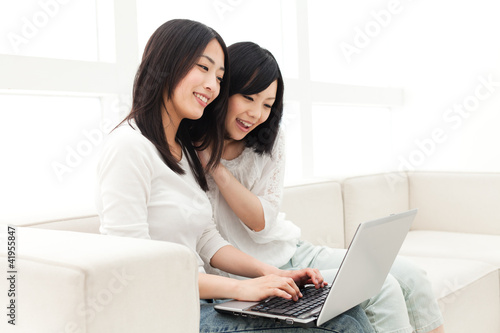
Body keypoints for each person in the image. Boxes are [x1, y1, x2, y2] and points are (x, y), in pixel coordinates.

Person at [95, 19, 374, 333]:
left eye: (219, 77)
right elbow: (134, 266)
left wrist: (271, 274)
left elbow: (206, 239)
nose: (213, 86)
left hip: (202, 303)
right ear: (166, 63)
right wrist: (242, 289)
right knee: (337, 328)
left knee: (345, 312)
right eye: (203, 68)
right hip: (167, 312)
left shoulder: (185, 150)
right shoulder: (129, 147)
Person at [199, 41, 445, 333]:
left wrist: (216, 168)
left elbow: (261, 221)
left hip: (292, 252)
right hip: (245, 274)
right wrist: (208, 159)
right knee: (383, 288)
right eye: (248, 97)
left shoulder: (267, 138)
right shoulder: (188, 149)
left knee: (412, 277)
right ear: (223, 90)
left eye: (267, 105)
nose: (255, 114)